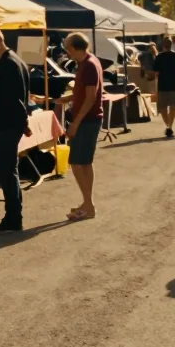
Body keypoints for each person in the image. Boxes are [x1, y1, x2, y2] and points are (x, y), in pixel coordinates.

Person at [0, 29, 32, 232]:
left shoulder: (7, 64)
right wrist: (24, 121)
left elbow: (12, 99)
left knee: (6, 171)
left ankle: (13, 217)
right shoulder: (18, 61)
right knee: (10, 170)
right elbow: (20, 96)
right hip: (12, 123)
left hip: (6, 124)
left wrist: (21, 120)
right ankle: (13, 215)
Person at [63, 33, 103, 222]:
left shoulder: (88, 65)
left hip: (87, 120)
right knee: (85, 162)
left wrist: (75, 123)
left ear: (72, 48)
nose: (65, 50)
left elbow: (91, 97)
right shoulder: (88, 62)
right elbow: (85, 93)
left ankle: (88, 205)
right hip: (90, 119)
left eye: (66, 47)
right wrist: (68, 98)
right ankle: (88, 203)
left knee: (76, 162)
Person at [152, 37, 175, 137]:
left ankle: (168, 126)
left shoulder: (159, 57)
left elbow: (156, 74)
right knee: (173, 106)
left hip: (162, 85)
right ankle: (170, 126)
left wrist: (155, 87)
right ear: (171, 45)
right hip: (173, 84)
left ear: (162, 45)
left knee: (163, 107)